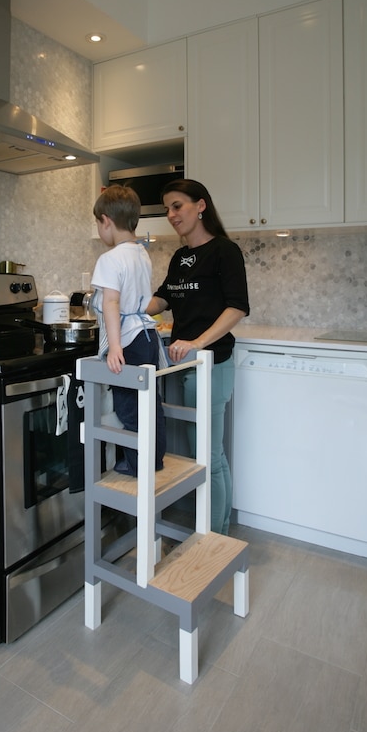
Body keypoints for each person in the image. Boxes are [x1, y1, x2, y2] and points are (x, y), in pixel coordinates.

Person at [147, 178, 249, 535]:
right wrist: (125, 308)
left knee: (209, 455)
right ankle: (204, 529)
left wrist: (197, 342)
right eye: (167, 209)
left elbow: (237, 307)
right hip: (183, 362)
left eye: (177, 206)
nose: (171, 215)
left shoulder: (224, 251)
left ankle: (215, 536)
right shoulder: (180, 257)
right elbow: (164, 299)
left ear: (200, 205)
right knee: (195, 452)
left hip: (211, 364)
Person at [91, 185, 167, 475]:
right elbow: (143, 301)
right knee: (150, 404)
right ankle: (154, 460)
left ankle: (137, 465)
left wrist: (115, 348)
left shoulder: (109, 259)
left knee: (129, 408)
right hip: (147, 335)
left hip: (128, 340)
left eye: (98, 224)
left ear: (106, 220)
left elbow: (111, 302)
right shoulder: (141, 253)